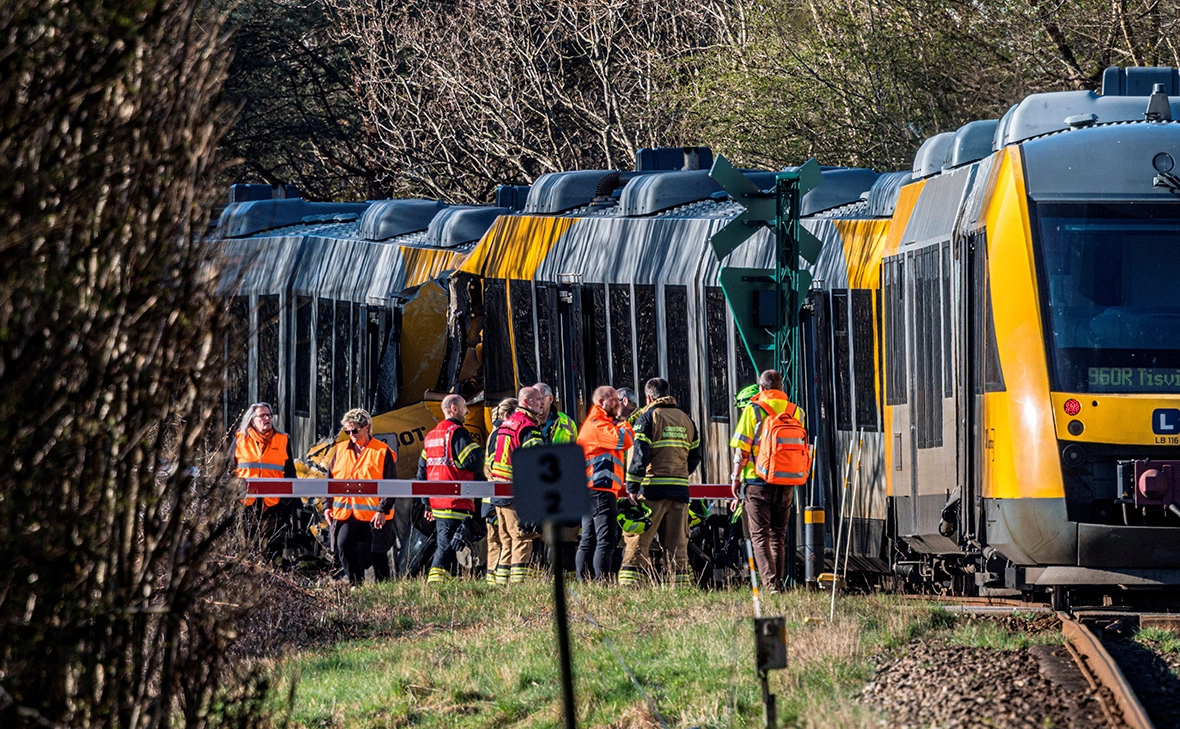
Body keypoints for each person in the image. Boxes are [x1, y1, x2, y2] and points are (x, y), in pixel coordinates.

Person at [619, 378, 702, 587]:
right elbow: (695, 456)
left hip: (652, 490)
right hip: (680, 491)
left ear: (648, 397)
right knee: (677, 545)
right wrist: (680, 474)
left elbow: (640, 456)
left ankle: (631, 586)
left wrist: (632, 487)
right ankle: (680, 587)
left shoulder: (647, 418)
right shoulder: (686, 420)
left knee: (638, 541)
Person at [729, 369, 806, 593]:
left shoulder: (754, 410)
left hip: (757, 481)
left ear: (761, 388)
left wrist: (735, 478)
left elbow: (742, 449)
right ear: (782, 388)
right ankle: (777, 582)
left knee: (759, 535)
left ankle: (771, 585)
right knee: (777, 536)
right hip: (786, 481)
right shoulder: (796, 411)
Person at [325, 408, 397, 584]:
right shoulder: (340, 450)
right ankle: (355, 585)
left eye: (354, 430)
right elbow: (329, 481)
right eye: (347, 431)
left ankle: (385, 591)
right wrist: (327, 506)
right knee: (343, 546)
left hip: (375, 514)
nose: (351, 434)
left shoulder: (382, 451)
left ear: (367, 427)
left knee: (377, 554)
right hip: (346, 513)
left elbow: (391, 485)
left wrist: (382, 510)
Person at [419, 394, 485, 584]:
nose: (468, 411)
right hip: (456, 501)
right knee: (446, 547)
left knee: (451, 544)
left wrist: (427, 504)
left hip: (438, 503)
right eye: (465, 407)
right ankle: (435, 585)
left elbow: (421, 473)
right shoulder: (457, 433)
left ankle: (448, 583)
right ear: (454, 409)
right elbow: (472, 460)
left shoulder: (431, 436)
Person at [487, 386, 545, 583]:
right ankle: (519, 586)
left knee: (507, 540)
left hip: (499, 490)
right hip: (516, 491)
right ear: (527, 402)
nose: (543, 403)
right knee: (523, 538)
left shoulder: (507, 424)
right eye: (538, 400)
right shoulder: (528, 427)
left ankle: (500, 585)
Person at [575, 386, 634, 581]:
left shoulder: (600, 423)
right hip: (599, 490)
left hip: (591, 490)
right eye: (614, 400)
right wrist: (625, 421)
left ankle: (583, 580)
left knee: (589, 539)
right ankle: (602, 581)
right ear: (601, 402)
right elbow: (624, 440)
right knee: (606, 540)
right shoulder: (597, 425)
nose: (618, 404)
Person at [233, 402, 297, 563]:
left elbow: (290, 473)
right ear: (252, 420)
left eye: (269, 415)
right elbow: (229, 471)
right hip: (246, 504)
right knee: (246, 550)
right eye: (262, 416)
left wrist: (285, 502)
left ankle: (271, 583)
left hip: (273, 505)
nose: (267, 418)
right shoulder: (240, 439)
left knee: (272, 550)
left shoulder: (283, 440)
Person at [484, 398, 517, 584]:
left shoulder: (493, 434)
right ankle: (502, 580)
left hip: (491, 497)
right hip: (501, 496)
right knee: (508, 540)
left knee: (496, 541)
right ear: (507, 415)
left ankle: (493, 581)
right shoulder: (503, 434)